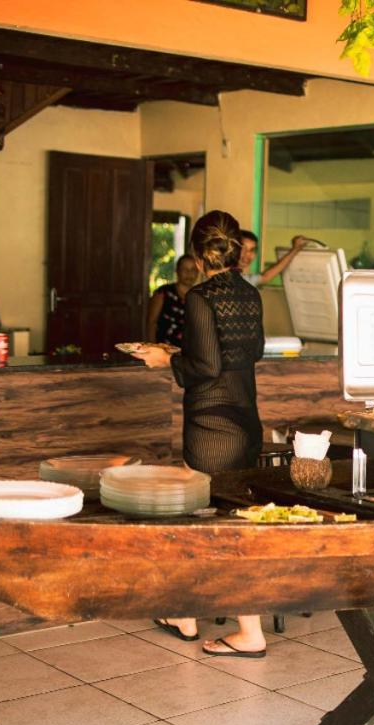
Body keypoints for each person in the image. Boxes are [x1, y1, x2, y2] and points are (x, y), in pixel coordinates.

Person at [132, 210, 269, 657]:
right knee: (232, 522)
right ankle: (189, 614)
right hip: (245, 417)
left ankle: (231, 628)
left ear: (196, 252)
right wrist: (184, 351)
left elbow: (205, 367)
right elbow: (252, 351)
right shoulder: (248, 294)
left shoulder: (199, 297)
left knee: (203, 523)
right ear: (234, 250)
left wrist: (163, 360)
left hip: (210, 422)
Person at [145, 255, 200, 347]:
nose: (189, 273)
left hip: (190, 351)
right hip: (164, 349)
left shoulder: (200, 296)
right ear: (177, 271)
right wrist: (153, 347)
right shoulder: (163, 293)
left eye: (193, 269)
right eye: (184, 269)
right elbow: (151, 323)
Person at [238, 230, 310, 287]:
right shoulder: (229, 280)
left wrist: (295, 249)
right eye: (243, 249)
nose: (247, 254)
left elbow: (266, 277)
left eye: (252, 250)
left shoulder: (243, 280)